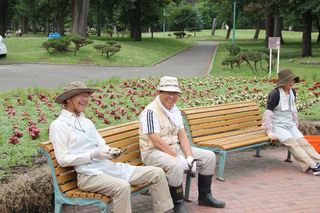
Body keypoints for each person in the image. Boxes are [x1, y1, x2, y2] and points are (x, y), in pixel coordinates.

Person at [49, 81, 173, 213]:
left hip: (109, 168)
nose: (85, 99)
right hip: (89, 176)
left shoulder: (87, 122)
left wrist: (110, 151)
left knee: (157, 173)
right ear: (68, 98)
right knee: (122, 186)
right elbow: (62, 159)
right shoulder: (58, 125)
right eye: (80, 95)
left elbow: (101, 145)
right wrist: (91, 156)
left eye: (87, 95)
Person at [139, 76, 226, 213]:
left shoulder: (175, 110)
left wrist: (189, 157)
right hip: (152, 152)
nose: (171, 96)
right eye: (167, 92)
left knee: (209, 157)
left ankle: (205, 197)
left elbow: (182, 136)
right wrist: (178, 158)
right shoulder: (150, 112)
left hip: (173, 148)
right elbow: (156, 140)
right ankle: (177, 204)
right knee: (176, 165)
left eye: (175, 93)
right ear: (159, 92)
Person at [262, 69, 320, 176]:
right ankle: (313, 166)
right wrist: (269, 131)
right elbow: (268, 113)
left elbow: (293, 109)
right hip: (277, 126)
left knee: (304, 143)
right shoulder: (275, 94)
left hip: (290, 124)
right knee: (294, 145)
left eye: (293, 80)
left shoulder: (293, 92)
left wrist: (295, 122)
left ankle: (318, 161)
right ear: (283, 82)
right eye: (289, 80)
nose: (292, 82)